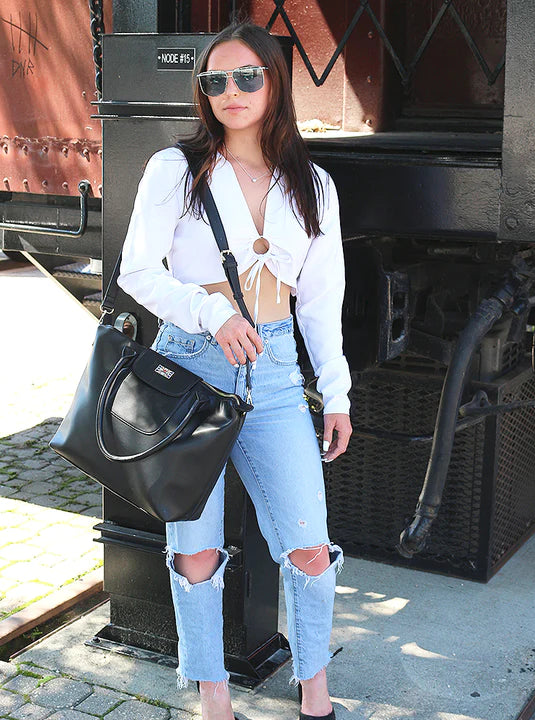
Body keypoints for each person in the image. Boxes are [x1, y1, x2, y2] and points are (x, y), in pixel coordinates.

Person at [117, 21, 353, 720]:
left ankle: (315, 695)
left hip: (275, 371)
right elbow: (137, 271)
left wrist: (336, 393)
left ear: (275, 82)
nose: (231, 91)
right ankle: (213, 698)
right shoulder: (176, 170)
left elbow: (322, 301)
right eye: (215, 80)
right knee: (196, 551)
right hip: (189, 370)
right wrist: (209, 312)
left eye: (247, 76)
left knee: (309, 545)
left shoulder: (312, 185)